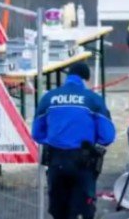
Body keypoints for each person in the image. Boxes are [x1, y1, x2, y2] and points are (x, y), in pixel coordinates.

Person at [32, 62, 116, 219]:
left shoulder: (48, 98)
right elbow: (108, 136)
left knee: (59, 212)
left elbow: (37, 134)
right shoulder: (93, 99)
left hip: (56, 162)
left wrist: (56, 138)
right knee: (83, 211)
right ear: (85, 79)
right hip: (83, 164)